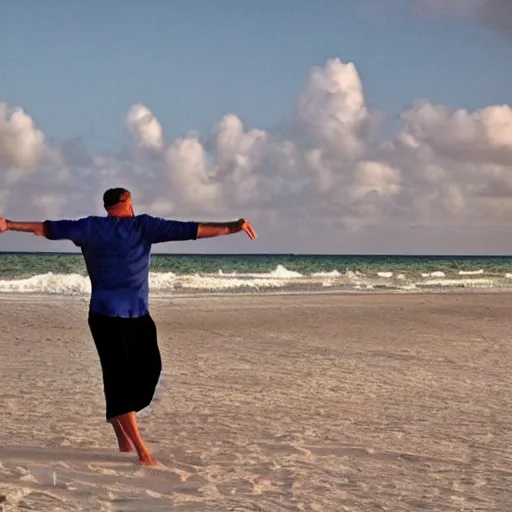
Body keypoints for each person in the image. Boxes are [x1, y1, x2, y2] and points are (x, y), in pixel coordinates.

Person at [0, 188, 257, 466]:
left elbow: (190, 230)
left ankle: (118, 418)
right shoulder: (93, 227)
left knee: (151, 370)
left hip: (138, 314)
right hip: (105, 315)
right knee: (118, 379)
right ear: (126, 202)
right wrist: (9, 225)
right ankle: (140, 448)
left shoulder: (141, 227)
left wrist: (232, 227)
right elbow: (47, 228)